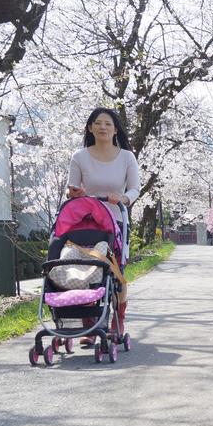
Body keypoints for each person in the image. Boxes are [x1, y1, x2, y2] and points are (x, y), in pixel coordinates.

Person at [65, 107, 139, 345]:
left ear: (115, 129)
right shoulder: (79, 156)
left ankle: (118, 320)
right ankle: (90, 325)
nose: (103, 127)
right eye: (98, 123)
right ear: (90, 128)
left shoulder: (127, 157)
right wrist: (77, 193)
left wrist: (124, 198)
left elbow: (134, 189)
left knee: (115, 271)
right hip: (85, 220)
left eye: (108, 124)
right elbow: (71, 188)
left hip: (115, 220)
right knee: (82, 266)